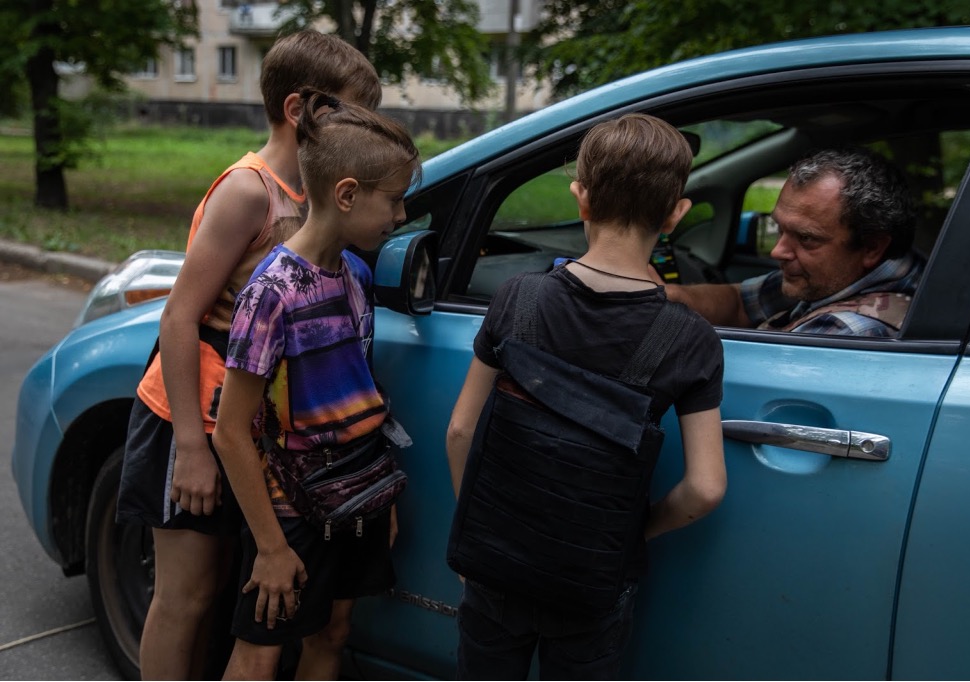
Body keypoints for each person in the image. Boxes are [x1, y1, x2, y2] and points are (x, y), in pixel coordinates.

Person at [115, 30, 382, 680]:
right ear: (298, 109)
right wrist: (192, 448)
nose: (365, 127)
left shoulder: (316, 195)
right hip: (192, 421)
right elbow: (179, 316)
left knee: (235, 592)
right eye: (353, 112)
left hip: (252, 431)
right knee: (187, 596)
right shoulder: (250, 191)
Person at [445, 113, 728, 679]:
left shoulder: (517, 298)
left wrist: (480, 534)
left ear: (581, 199)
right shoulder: (691, 339)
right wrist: (634, 534)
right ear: (676, 213)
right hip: (592, 581)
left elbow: (460, 431)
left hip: (498, 561)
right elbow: (705, 487)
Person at [211, 92, 421, 680]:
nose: (402, 214)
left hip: (355, 493)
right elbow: (231, 432)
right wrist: (271, 546)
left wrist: (376, 497)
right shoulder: (271, 292)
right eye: (394, 199)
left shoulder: (355, 273)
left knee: (333, 631)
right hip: (291, 510)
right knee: (262, 648)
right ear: (347, 194)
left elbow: (359, 389)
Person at [656, 147, 923, 337]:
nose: (777, 251)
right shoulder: (834, 277)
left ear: (872, 247)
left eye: (806, 238)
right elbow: (741, 303)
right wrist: (665, 295)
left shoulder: (848, 330)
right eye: (779, 228)